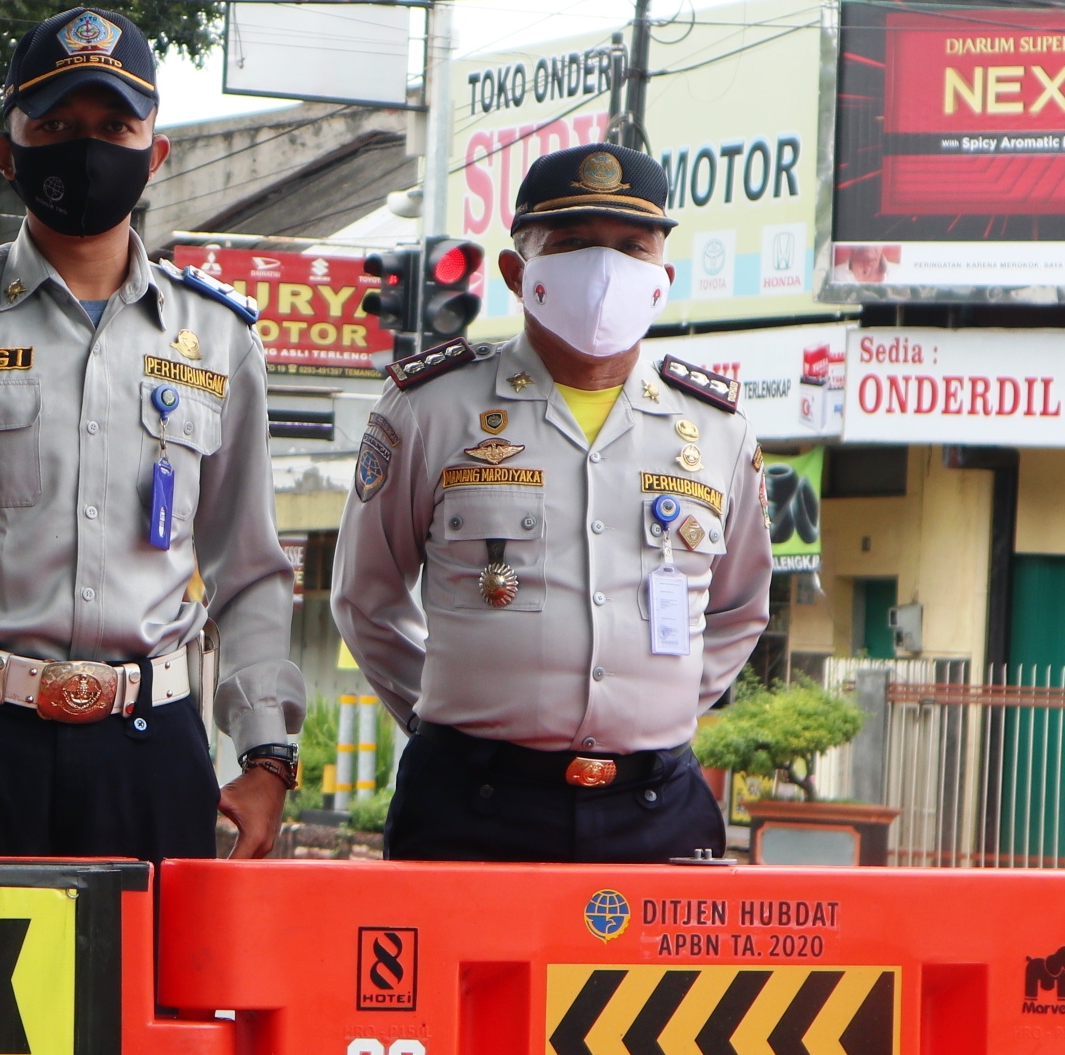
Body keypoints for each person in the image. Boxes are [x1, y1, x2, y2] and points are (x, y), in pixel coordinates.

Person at [0, 6, 303, 863]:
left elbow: (251, 567)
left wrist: (266, 754)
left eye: (114, 125)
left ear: (156, 153)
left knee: (139, 1000)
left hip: (152, 752)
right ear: (6, 152)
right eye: (56, 125)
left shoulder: (220, 337)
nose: (86, 146)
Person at [331, 142, 772, 863]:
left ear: (663, 276)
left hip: (658, 809)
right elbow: (365, 596)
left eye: (631, 247)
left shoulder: (717, 427)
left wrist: (657, 707)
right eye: (571, 244)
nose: (605, 269)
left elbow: (742, 604)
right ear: (517, 271)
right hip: (471, 805)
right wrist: (448, 714)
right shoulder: (434, 409)